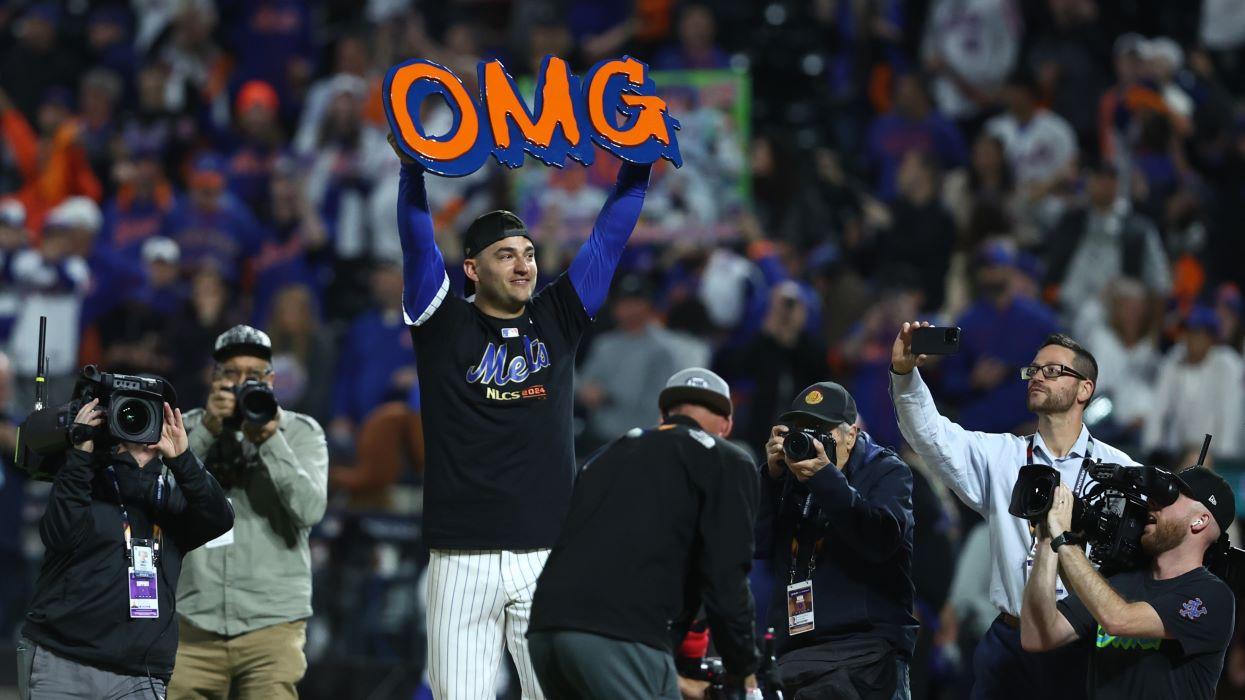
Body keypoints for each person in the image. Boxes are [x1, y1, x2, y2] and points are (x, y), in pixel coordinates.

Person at [389, 131, 651, 698]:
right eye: (506, 254)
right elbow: (416, 243)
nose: (523, 264)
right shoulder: (442, 324)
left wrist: (638, 167)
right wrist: (412, 172)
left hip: (547, 551)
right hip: (461, 557)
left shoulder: (559, 313)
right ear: (472, 270)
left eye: (529, 253)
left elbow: (609, 236)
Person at [889, 324, 1138, 700]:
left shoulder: (1120, 469)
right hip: (1010, 640)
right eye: (1033, 370)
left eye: (1052, 371)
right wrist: (905, 375)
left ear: (1085, 389)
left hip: (1083, 641)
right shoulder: (1002, 456)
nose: (1037, 376)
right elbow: (932, 435)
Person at [528, 368, 758, 698]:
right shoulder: (725, 459)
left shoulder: (602, 457)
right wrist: (744, 671)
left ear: (663, 415)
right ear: (726, 424)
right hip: (622, 635)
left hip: (546, 632)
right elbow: (726, 577)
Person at [17, 395, 233, 699]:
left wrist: (183, 460)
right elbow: (59, 535)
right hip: (64, 662)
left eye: (150, 416)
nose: (140, 425)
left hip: (140, 671)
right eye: (129, 413)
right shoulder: (85, 480)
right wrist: (81, 454)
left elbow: (220, 519)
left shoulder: (171, 496)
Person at [168, 324, 328, 700]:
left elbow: (310, 510)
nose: (241, 385)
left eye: (253, 376)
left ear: (271, 380)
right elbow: (161, 502)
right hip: (192, 625)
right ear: (214, 378)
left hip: (271, 626)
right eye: (231, 374)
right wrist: (207, 431)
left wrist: (270, 441)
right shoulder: (185, 431)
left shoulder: (301, 433)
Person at [757, 381, 917, 699]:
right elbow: (756, 544)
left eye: (822, 432)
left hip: (864, 655)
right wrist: (771, 481)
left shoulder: (886, 471)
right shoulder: (789, 475)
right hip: (797, 660)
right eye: (803, 431)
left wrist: (825, 477)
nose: (812, 442)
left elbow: (879, 539)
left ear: (851, 434)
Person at [1021, 470, 1237, 698]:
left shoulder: (1212, 597)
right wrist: (1046, 539)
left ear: (1200, 521)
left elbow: (1119, 620)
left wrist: (1063, 540)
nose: (1153, 502)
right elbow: (1036, 636)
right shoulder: (1119, 581)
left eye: (1171, 497)